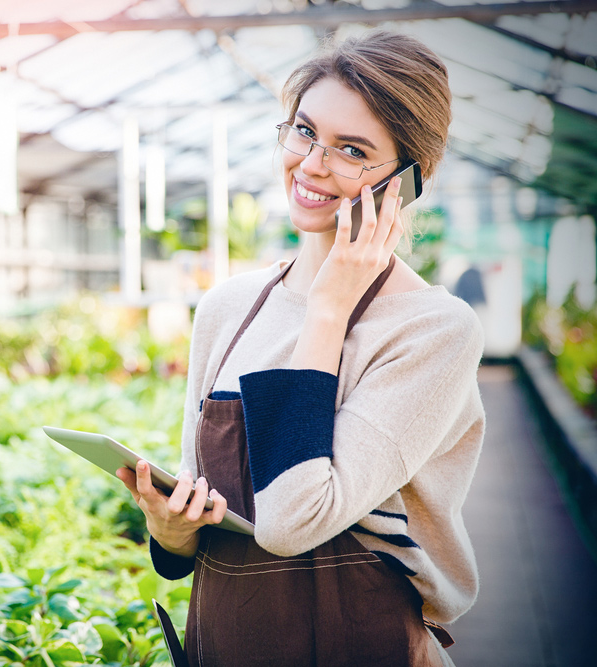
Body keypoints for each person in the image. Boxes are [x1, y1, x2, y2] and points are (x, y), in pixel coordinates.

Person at [117, 30, 484, 666]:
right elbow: (204, 515)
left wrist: (328, 307)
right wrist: (169, 532)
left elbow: (292, 522)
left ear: (405, 180)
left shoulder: (433, 331)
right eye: (304, 131)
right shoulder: (228, 307)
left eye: (352, 150)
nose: (313, 164)